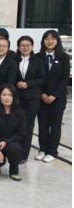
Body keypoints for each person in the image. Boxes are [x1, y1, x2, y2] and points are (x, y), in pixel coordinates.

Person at [35, 30, 70, 163]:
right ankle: (42, 149)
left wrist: (54, 95)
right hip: (41, 97)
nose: (50, 41)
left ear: (57, 41)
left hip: (58, 98)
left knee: (55, 125)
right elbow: (36, 77)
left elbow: (65, 79)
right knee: (42, 124)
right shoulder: (38, 57)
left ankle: (52, 151)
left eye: (53, 39)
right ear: (43, 41)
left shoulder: (64, 57)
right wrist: (42, 94)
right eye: (47, 39)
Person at [15, 35, 45, 164]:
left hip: (32, 98)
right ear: (18, 47)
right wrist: (17, 83)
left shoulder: (38, 61)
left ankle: (23, 155)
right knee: (15, 125)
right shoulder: (14, 59)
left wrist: (28, 84)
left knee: (28, 126)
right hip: (16, 97)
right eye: (22, 45)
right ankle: (14, 151)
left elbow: (42, 79)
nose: (25, 47)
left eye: (27, 45)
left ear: (32, 46)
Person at [0, 85, 26, 181]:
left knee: (15, 148)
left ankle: (14, 171)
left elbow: (21, 133)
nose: (7, 98)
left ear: (14, 97)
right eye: (4, 95)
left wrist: (6, 142)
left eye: (10, 95)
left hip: (11, 142)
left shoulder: (20, 112)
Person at [0, 37, 17, 105]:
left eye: (4, 46)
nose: (1, 48)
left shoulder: (12, 63)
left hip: (4, 98)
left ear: (8, 48)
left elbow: (10, 82)